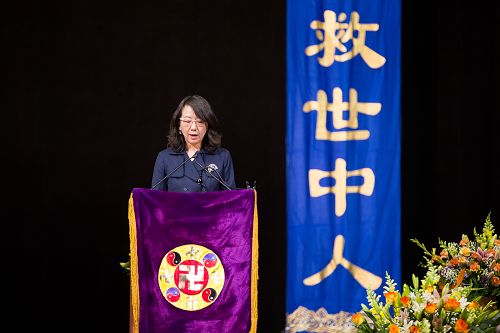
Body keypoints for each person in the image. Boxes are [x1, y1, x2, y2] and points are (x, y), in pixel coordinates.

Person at [151, 95, 236, 192]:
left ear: (207, 125)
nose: (193, 127)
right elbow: (155, 200)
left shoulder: (222, 156)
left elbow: (230, 200)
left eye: (200, 121)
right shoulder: (164, 158)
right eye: (187, 121)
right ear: (179, 125)